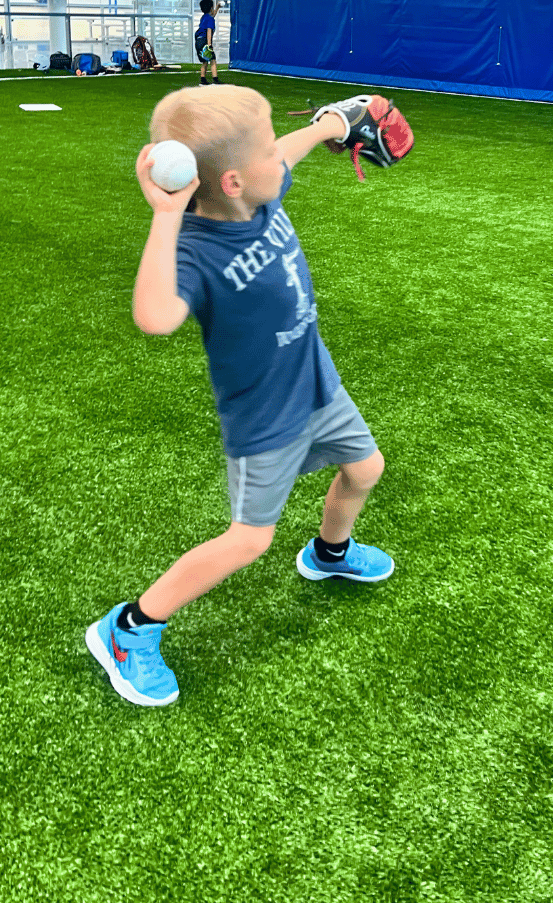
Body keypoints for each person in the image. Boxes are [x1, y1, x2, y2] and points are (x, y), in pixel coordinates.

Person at [86, 85, 394, 706]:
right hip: (264, 416)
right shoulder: (195, 252)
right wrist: (166, 216)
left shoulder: (259, 190)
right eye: (265, 153)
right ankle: (130, 628)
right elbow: (155, 317)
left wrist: (333, 124)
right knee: (250, 540)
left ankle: (330, 553)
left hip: (316, 382)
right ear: (230, 182)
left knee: (366, 468)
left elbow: (284, 151)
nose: (279, 161)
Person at [195, 0, 222, 85]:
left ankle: (203, 80)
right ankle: (216, 80)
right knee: (213, 60)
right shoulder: (210, 19)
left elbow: (212, 14)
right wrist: (209, 45)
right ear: (210, 8)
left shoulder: (204, 17)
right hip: (204, 41)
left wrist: (217, 7)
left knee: (205, 60)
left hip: (198, 41)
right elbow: (209, 31)